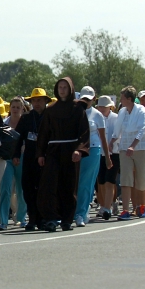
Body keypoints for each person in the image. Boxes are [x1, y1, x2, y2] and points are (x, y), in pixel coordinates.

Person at [36, 78, 90, 233]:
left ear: (71, 89)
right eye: (60, 87)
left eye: (65, 87)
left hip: (71, 150)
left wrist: (79, 150)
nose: (62, 90)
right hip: (53, 151)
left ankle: (67, 219)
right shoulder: (51, 109)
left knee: (69, 186)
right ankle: (52, 218)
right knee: (49, 184)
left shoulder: (78, 109)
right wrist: (40, 153)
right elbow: (44, 133)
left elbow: (84, 132)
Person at [111, 86, 145, 219]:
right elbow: (117, 129)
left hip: (141, 148)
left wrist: (133, 146)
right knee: (125, 179)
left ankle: (142, 205)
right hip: (124, 148)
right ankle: (126, 210)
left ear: (129, 99)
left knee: (141, 181)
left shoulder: (142, 111)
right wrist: (112, 141)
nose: (121, 100)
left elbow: (143, 130)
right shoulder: (122, 111)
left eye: (122, 97)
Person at [74, 87, 112, 226]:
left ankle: (80, 213)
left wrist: (107, 157)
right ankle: (78, 210)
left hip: (93, 149)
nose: (86, 102)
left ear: (94, 100)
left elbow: (103, 138)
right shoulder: (75, 112)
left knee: (86, 183)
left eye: (89, 100)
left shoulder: (97, 115)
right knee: (75, 182)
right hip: (77, 149)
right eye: (84, 99)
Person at [14, 88, 51, 231]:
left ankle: (43, 218)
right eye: (34, 100)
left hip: (47, 158)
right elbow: (18, 138)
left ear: (45, 101)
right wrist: (16, 154)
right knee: (27, 188)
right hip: (29, 157)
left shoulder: (50, 116)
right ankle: (32, 218)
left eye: (39, 100)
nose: (36, 103)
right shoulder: (26, 117)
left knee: (43, 189)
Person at [0, 97, 28, 230]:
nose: (15, 109)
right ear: (9, 108)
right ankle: (4, 221)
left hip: (22, 158)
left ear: (23, 109)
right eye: (13, 107)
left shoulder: (25, 123)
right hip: (7, 159)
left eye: (18, 107)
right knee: (5, 189)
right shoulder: (4, 123)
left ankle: (22, 218)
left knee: (21, 189)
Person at [95, 96, 119, 219]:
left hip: (113, 153)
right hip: (99, 153)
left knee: (110, 180)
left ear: (110, 106)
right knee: (102, 181)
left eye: (104, 106)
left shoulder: (116, 118)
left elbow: (119, 133)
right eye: (100, 106)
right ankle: (104, 205)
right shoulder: (96, 117)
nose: (102, 108)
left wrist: (112, 144)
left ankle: (107, 207)